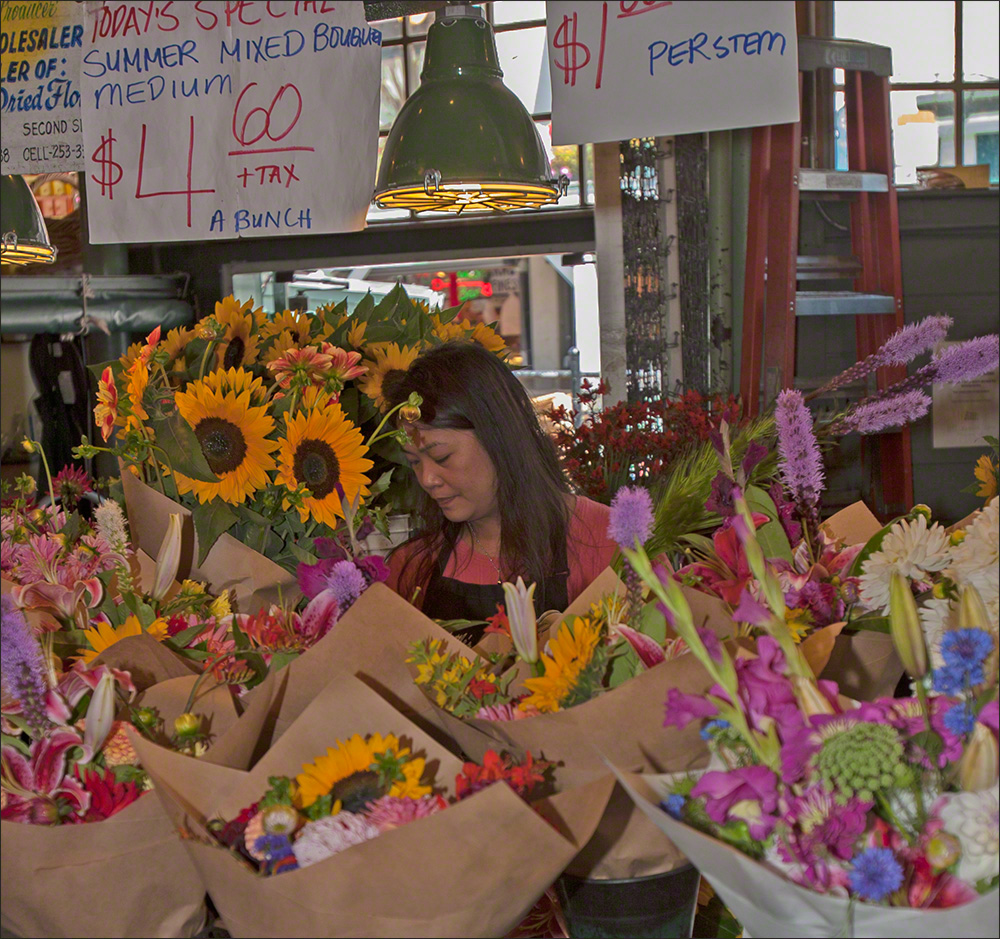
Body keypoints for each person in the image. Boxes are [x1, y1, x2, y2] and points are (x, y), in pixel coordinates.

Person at [384, 342, 617, 640]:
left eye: (442, 457)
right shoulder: (412, 568)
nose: (428, 478)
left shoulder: (608, 541)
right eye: (414, 462)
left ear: (499, 437)